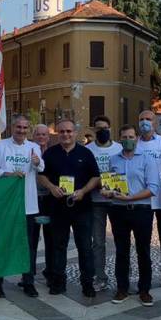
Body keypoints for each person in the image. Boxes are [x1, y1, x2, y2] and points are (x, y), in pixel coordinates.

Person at [39, 117, 99, 297]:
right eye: (62, 131)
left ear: (75, 133)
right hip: (57, 208)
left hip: (82, 207)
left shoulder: (86, 153)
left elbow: (96, 177)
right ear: (57, 133)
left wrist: (83, 191)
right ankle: (58, 282)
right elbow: (41, 175)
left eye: (69, 131)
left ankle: (87, 284)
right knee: (58, 246)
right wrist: (51, 187)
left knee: (85, 247)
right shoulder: (50, 153)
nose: (66, 134)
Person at [0, 114, 45, 298]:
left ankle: (28, 282)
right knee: (2, 243)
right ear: (12, 128)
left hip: (28, 204)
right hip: (6, 205)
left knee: (28, 245)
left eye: (25, 128)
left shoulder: (34, 147)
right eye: (18, 127)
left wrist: (37, 162)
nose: (21, 131)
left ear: (29, 129)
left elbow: (41, 167)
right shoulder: (1, 145)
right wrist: (8, 174)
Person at [103, 125, 159, 306]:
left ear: (136, 138)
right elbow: (108, 184)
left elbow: (153, 188)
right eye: (124, 136)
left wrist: (131, 197)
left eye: (131, 136)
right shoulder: (113, 160)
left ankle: (145, 290)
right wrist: (107, 192)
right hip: (118, 210)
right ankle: (122, 288)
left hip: (141, 209)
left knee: (143, 250)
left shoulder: (147, 160)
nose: (128, 139)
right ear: (120, 139)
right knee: (121, 250)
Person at [137, 109, 161, 290]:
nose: (145, 122)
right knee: (143, 240)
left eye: (148, 119)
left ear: (155, 123)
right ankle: (145, 276)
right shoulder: (133, 144)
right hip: (142, 200)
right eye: (142, 119)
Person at [85, 115, 123, 292]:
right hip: (95, 202)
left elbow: (124, 171)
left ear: (110, 128)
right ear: (94, 130)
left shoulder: (119, 148)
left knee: (121, 240)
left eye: (105, 128)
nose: (102, 131)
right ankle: (100, 277)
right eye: (99, 129)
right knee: (98, 242)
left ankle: (122, 278)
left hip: (116, 201)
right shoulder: (88, 149)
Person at [30, 123, 54, 287]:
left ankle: (51, 272)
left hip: (51, 201)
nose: (41, 137)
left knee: (52, 238)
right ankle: (29, 275)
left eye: (44, 134)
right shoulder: (28, 150)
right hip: (33, 200)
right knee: (31, 239)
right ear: (33, 136)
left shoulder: (53, 153)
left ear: (49, 137)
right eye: (38, 134)